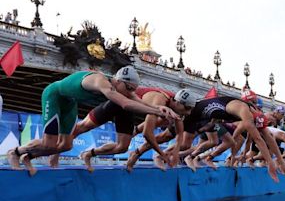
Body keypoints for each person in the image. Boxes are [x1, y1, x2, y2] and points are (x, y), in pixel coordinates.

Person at [7, 67, 173, 176]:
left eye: (132, 89)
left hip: (70, 103)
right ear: (118, 81)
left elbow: (137, 99)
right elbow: (126, 103)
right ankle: (15, 152)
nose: (130, 92)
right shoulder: (101, 82)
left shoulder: (122, 87)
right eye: (128, 88)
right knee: (49, 143)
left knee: (66, 145)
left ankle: (28, 156)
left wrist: (161, 109)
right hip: (54, 96)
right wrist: (156, 110)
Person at [74, 87, 192, 172]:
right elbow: (147, 133)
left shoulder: (176, 109)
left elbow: (179, 135)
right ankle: (57, 148)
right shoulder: (159, 101)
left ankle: (88, 154)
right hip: (118, 102)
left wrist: (176, 153)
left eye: (190, 109)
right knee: (83, 127)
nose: (188, 112)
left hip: (128, 110)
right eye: (186, 108)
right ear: (177, 103)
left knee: (121, 148)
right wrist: (162, 154)